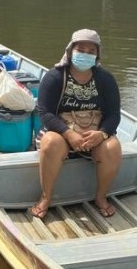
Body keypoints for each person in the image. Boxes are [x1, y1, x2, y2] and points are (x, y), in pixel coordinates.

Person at [31, 28, 122, 220]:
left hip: (93, 136)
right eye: (81, 50)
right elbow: (44, 112)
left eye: (91, 52)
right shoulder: (55, 76)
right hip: (62, 133)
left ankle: (100, 197)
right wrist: (68, 133)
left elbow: (114, 114)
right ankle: (46, 197)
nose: (85, 55)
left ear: (97, 55)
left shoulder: (105, 79)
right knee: (50, 142)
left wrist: (102, 134)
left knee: (113, 146)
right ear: (70, 50)